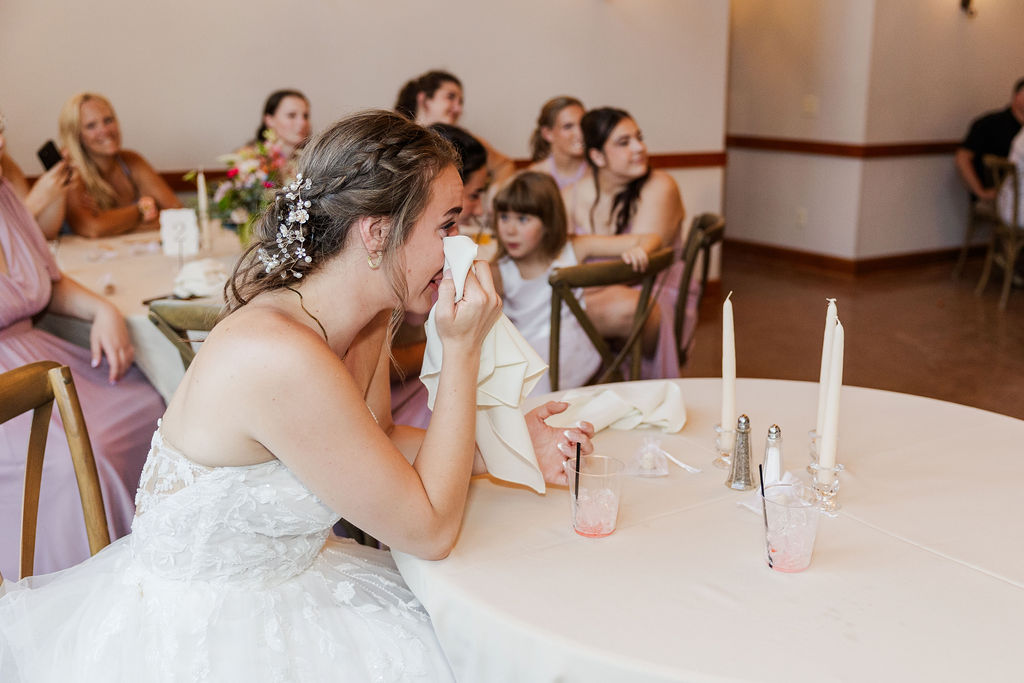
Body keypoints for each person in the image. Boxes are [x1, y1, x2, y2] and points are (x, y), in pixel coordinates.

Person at [0, 111, 591, 680]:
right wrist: (461, 348)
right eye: (448, 225)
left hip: (293, 582)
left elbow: (375, 444)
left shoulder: (361, 317)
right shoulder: (281, 356)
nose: (465, 248)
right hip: (212, 629)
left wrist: (506, 444)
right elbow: (430, 531)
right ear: (378, 232)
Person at [0, 124, 163, 581]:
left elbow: (45, 281)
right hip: (9, 389)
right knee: (86, 456)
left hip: (42, 357)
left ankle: (160, 568)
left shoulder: (6, 194)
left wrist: (104, 310)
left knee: (151, 403)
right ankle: (89, 587)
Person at [491, 171, 660, 395]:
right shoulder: (500, 269)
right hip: (524, 349)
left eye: (523, 219)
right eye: (504, 217)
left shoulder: (574, 248)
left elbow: (650, 238)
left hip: (569, 345)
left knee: (531, 377)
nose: (510, 230)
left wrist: (642, 250)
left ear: (549, 222)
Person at [565, 107, 687, 379]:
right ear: (596, 156)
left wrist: (579, 259)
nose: (639, 148)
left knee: (552, 310)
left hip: (653, 292)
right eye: (624, 142)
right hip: (594, 291)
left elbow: (634, 268)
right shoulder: (569, 196)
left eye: (639, 138)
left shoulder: (660, 186)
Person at [390, 123, 490, 429]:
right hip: (409, 397)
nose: (455, 238)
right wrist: (456, 343)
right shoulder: (403, 271)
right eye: (448, 224)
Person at [59, 93, 182, 238]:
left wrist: (109, 223)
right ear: (76, 135)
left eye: (108, 120)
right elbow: (93, 229)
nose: (105, 130)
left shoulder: (131, 161)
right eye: (91, 126)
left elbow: (176, 212)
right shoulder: (71, 172)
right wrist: (141, 210)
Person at [395, 70, 514, 187]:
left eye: (460, 102)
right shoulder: (397, 141)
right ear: (423, 99)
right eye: (450, 97)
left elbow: (504, 165)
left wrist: (492, 196)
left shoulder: (466, 142)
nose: (458, 109)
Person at [956, 77, 1024, 201]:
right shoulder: (990, 124)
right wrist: (980, 192)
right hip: (1003, 198)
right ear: (1017, 95)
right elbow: (963, 158)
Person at [527, 96, 589, 191]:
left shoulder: (600, 172)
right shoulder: (535, 176)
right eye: (568, 126)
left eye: (583, 124)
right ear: (548, 134)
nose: (580, 133)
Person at [243, 89, 312, 167]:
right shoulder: (248, 160)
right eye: (291, 115)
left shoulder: (314, 161)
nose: (302, 123)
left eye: (305, 116)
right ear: (269, 120)